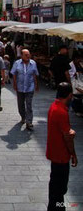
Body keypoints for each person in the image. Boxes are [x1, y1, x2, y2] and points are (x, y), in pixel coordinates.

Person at [46, 82, 77, 211]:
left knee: (55, 187)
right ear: (69, 95)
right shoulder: (61, 112)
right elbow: (67, 137)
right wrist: (73, 155)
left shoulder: (54, 106)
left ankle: (54, 207)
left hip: (54, 153)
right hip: (61, 156)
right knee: (60, 188)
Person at [11, 49, 39, 130]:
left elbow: (35, 74)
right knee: (21, 104)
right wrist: (14, 84)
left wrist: (36, 85)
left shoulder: (33, 63)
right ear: (21, 56)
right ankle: (23, 117)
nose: (28, 56)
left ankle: (29, 122)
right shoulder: (17, 63)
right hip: (20, 87)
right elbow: (14, 74)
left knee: (29, 104)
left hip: (30, 87)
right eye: (26, 55)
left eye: (28, 54)